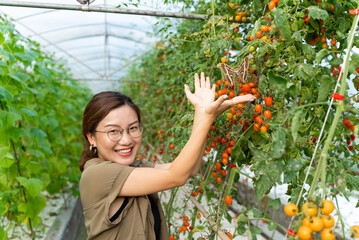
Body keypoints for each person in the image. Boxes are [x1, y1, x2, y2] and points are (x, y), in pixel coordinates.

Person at [79, 72, 256, 240]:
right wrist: (205, 118)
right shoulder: (97, 175)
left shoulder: (135, 168)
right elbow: (176, 176)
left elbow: (190, 170)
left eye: (133, 128)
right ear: (91, 137)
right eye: (113, 131)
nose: (126, 140)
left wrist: (203, 115)